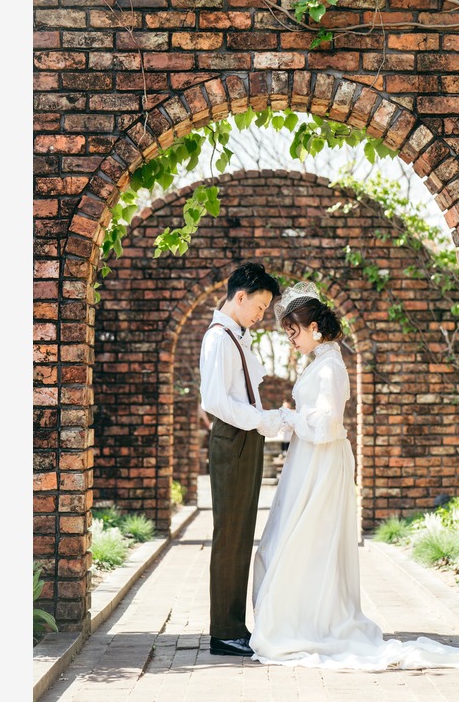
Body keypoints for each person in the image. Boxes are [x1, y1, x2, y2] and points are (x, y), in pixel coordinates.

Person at [249, 281, 459, 669]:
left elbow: (328, 425)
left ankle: (311, 623)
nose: (290, 340)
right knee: (288, 541)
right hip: (309, 460)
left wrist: (288, 418)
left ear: (314, 327)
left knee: (307, 543)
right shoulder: (319, 362)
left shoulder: (331, 367)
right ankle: (302, 617)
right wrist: (292, 420)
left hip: (323, 460)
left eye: (293, 332)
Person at [198, 261, 287, 657]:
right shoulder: (219, 338)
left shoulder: (237, 336)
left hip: (244, 437)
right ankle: (224, 630)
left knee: (240, 533)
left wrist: (260, 423)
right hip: (233, 437)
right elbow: (215, 401)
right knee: (231, 535)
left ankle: (234, 626)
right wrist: (263, 421)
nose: (262, 314)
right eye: (261, 306)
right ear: (240, 296)